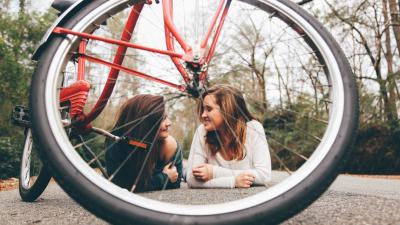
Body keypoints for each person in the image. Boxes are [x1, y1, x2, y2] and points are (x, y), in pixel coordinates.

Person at [186, 85, 271, 188]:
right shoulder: (202, 131)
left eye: (209, 109)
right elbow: (191, 179)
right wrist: (232, 182)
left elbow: (264, 175)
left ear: (227, 110)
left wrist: (214, 172)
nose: (203, 115)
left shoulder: (254, 128)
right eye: (203, 109)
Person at [105, 94, 182, 192]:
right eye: (162, 119)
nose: (169, 123)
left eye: (167, 117)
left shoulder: (168, 144)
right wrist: (163, 177)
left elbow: (174, 184)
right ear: (146, 122)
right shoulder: (116, 141)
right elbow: (119, 185)